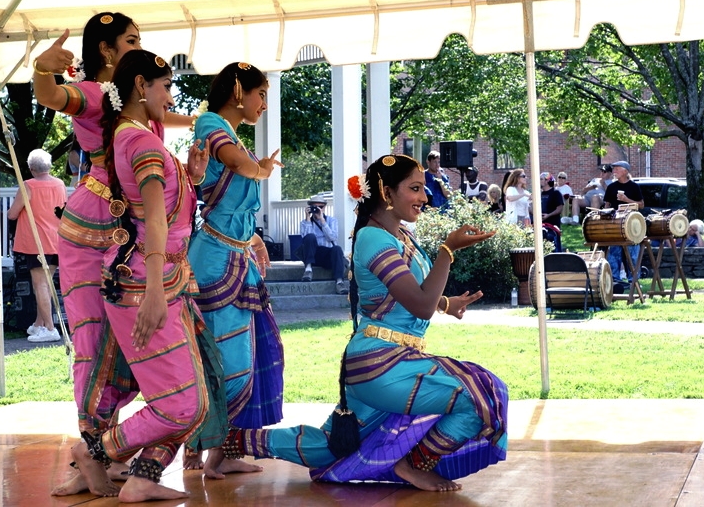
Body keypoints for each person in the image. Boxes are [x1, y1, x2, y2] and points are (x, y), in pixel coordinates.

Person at [215, 154, 507, 493]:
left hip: (382, 363)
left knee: (331, 444)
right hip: (383, 366)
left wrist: (446, 303)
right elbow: (420, 305)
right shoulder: (374, 238)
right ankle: (414, 465)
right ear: (386, 191)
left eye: (423, 189)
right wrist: (447, 250)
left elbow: (412, 296)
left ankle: (233, 441)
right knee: (482, 393)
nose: (424, 197)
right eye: (415, 188)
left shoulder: (398, 235)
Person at [32, 12, 203, 496]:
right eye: (130, 40)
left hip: (125, 231)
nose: (138, 45)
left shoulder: (136, 107)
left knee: (131, 351)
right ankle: (87, 454)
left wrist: (201, 123)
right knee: (93, 345)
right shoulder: (93, 91)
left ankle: (107, 450)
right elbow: (50, 96)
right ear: (106, 50)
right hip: (95, 229)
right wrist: (43, 69)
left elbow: (163, 116)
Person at [67, 49, 210, 503]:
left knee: (193, 400)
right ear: (140, 86)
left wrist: (191, 178)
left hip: (158, 279)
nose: (171, 96)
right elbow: (152, 223)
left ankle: (142, 478)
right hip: (145, 285)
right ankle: (96, 450)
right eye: (166, 86)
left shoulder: (130, 137)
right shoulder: (142, 143)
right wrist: (151, 293)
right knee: (185, 403)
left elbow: (161, 209)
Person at [187, 62, 285, 479]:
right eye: (260, 94)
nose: (264, 103)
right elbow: (238, 164)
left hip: (236, 255)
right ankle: (195, 448)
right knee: (220, 357)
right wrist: (261, 167)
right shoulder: (211, 123)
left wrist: (253, 237)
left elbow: (234, 202)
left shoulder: (233, 135)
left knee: (244, 354)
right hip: (215, 261)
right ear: (238, 90)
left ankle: (220, 452)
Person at [7, 149, 67, 343]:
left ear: (31, 169)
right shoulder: (60, 183)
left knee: (40, 284)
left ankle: (50, 328)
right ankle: (39, 323)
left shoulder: (28, 185)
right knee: (46, 283)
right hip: (57, 239)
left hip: (37, 241)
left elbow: (13, 214)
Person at [297, 194, 348, 294]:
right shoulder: (305, 222)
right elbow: (306, 238)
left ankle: (339, 282)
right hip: (312, 254)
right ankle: (308, 269)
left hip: (327, 254)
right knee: (310, 236)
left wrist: (322, 220)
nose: (317, 209)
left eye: (320, 207)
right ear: (310, 208)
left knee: (337, 248)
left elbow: (332, 237)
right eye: (314, 207)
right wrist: (308, 218)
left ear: (324, 207)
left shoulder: (332, 221)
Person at [603, 160, 644, 281]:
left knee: (633, 254)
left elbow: (641, 205)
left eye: (616, 169)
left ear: (625, 171)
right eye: (613, 169)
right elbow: (607, 205)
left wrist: (626, 199)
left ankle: (634, 280)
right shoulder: (611, 187)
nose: (614, 171)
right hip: (615, 224)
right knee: (614, 253)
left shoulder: (634, 187)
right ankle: (615, 280)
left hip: (631, 225)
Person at [539, 172, 564, 252]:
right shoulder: (539, 194)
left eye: (541, 179)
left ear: (547, 181)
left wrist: (548, 215)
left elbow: (559, 209)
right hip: (541, 227)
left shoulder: (555, 193)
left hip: (553, 228)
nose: (539, 181)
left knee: (554, 249)